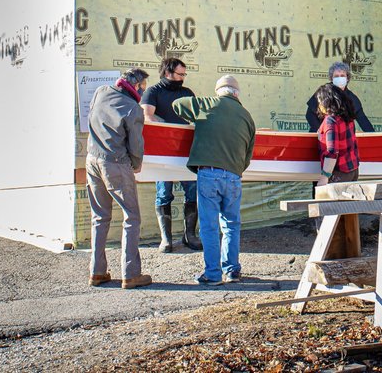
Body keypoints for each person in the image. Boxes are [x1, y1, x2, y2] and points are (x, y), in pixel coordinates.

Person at [172, 75, 255, 285]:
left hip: (208, 173)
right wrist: (234, 170)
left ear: (219, 91)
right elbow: (247, 156)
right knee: (231, 225)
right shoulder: (247, 117)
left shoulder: (207, 104)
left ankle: (213, 274)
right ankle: (232, 271)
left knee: (209, 226)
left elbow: (177, 105)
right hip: (234, 176)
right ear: (237, 94)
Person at [85, 68, 152, 289]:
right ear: (137, 85)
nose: (143, 91)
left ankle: (97, 272)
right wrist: (136, 166)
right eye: (143, 86)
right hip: (116, 163)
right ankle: (130, 274)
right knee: (131, 217)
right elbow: (136, 146)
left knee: (99, 217)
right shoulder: (133, 109)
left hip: (92, 159)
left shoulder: (101, 91)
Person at [141, 58, 202, 252]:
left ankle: (189, 236)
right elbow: (147, 117)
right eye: (180, 74)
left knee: (192, 192)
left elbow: (197, 118)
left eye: (184, 74)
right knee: (163, 194)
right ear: (168, 73)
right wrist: (172, 130)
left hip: (187, 154)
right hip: (163, 155)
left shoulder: (187, 93)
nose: (183, 78)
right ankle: (166, 239)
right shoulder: (153, 92)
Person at [305, 61, 374, 132]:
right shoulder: (323, 92)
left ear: (347, 78)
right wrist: (322, 131)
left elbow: (364, 121)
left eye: (342, 75)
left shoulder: (352, 99)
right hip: (320, 137)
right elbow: (309, 115)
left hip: (343, 139)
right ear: (331, 78)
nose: (339, 78)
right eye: (336, 76)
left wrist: (374, 137)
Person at [314, 83, 360, 188]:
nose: (319, 105)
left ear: (326, 102)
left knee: (332, 204)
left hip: (339, 173)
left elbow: (332, 152)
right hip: (353, 170)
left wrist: (324, 176)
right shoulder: (348, 117)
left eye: (320, 101)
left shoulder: (331, 120)